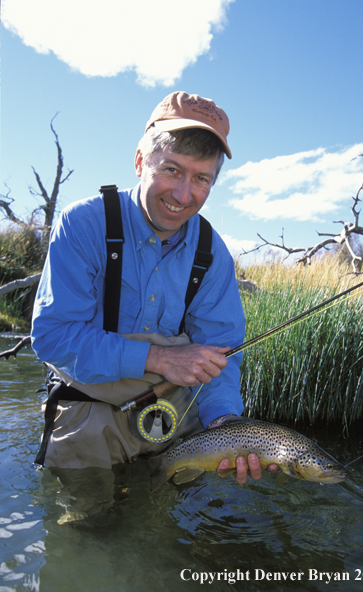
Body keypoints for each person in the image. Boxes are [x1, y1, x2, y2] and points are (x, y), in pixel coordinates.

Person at [31, 91, 277, 486]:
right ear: (140, 162)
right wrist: (160, 359)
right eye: (172, 170)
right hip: (87, 407)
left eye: (201, 179)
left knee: (174, 538)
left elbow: (221, 356)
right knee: (85, 532)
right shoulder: (82, 225)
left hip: (175, 414)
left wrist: (225, 424)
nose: (183, 196)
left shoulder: (212, 253)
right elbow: (52, 337)